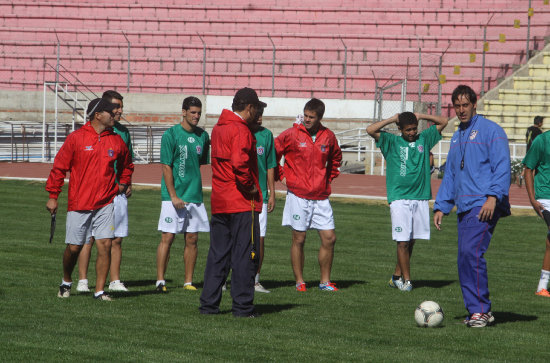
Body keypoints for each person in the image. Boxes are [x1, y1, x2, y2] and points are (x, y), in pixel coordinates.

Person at [433, 85, 510, 328]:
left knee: (471, 254)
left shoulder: (491, 131)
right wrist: (441, 206)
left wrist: (492, 197)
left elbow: (502, 166)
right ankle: (476, 310)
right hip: (465, 206)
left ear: (475, 104)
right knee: (464, 258)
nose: (461, 110)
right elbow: (451, 175)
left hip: (484, 204)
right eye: (457, 106)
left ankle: (481, 310)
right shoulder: (457, 136)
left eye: (465, 105)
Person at [46, 98, 134, 301]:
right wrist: (53, 196)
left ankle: (100, 291)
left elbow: (127, 164)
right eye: (111, 113)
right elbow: (59, 168)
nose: (115, 116)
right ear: (98, 114)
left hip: (105, 203)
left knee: (104, 244)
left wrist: (122, 183)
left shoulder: (116, 139)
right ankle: (66, 281)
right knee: (74, 247)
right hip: (79, 203)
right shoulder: (76, 138)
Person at [199, 87, 265, 317]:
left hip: (220, 199)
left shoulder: (219, 128)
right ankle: (243, 306)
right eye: (256, 108)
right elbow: (240, 165)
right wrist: (251, 186)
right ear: (249, 107)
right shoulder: (241, 130)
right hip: (241, 202)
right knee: (244, 255)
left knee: (218, 255)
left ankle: (209, 304)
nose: (257, 113)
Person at [367, 112, 448, 292]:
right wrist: (391, 119)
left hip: (419, 197)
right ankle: (408, 281)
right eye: (407, 130)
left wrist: (421, 115)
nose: (411, 132)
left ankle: (397, 276)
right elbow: (370, 130)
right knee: (402, 242)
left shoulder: (424, 139)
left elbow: (444, 121)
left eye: (414, 129)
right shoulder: (391, 141)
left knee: (411, 241)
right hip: (399, 198)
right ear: (400, 129)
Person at [275, 98, 342, 292]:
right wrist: (282, 176)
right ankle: (300, 281)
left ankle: (324, 282)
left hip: (321, 196)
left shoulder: (328, 136)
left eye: (311, 117)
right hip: (298, 196)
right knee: (299, 238)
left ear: (320, 117)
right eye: (305, 115)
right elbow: (273, 153)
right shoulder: (291, 134)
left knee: (329, 238)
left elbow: (336, 158)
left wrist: (328, 178)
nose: (307, 119)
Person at [76, 90, 133, 293]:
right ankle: (83, 280)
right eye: (115, 107)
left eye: (120, 106)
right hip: (93, 193)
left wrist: (127, 184)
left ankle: (115, 280)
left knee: (116, 238)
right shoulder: (89, 132)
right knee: (88, 238)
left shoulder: (123, 132)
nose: (119, 110)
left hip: (116, 192)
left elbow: (128, 162)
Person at [155, 96, 210, 292]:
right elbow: (166, 167)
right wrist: (173, 196)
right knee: (168, 237)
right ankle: (160, 280)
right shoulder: (170, 135)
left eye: (199, 113)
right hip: (173, 196)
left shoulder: (203, 137)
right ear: (184, 112)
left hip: (194, 195)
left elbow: (201, 162)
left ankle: (188, 282)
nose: (196, 116)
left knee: (192, 239)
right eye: (193, 112)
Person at [250, 106, 277, 293]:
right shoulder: (240, 132)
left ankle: (255, 280)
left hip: (261, 197)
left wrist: (272, 192)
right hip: (241, 196)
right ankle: (226, 278)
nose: (260, 117)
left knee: (260, 240)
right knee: (237, 238)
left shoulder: (267, 135)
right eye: (257, 113)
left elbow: (270, 166)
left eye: (262, 114)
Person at [522, 129, 550, 297]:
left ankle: (542, 287)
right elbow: (528, 169)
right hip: (545, 198)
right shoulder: (542, 140)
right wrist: (532, 199)